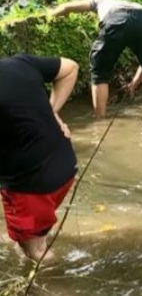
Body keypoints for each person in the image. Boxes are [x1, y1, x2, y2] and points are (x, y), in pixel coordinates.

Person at [0, 54, 79, 262]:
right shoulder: (20, 63)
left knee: (35, 252)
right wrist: (52, 113)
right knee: (33, 231)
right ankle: (32, 234)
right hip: (65, 165)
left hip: (31, 187)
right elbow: (70, 68)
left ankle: (54, 277)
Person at [48, 0, 142, 119]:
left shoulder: (99, 0)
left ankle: (99, 119)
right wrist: (134, 83)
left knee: (99, 72)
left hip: (115, 19)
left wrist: (50, 15)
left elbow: (67, 7)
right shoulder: (137, 6)